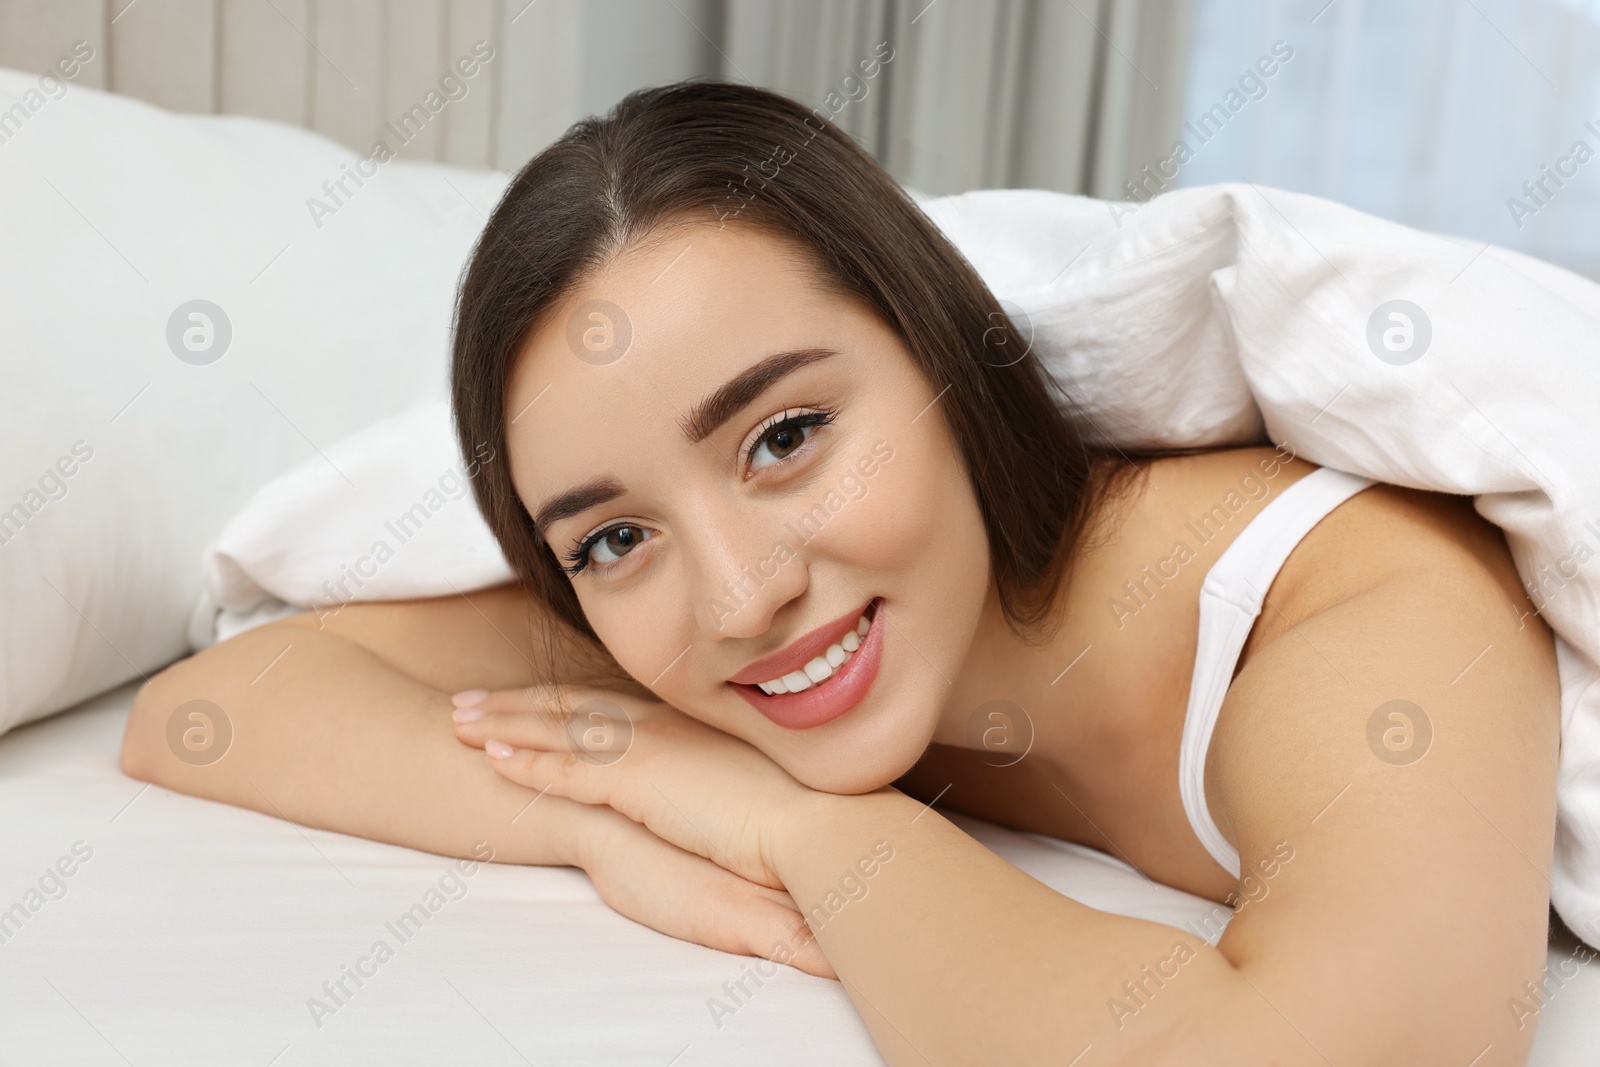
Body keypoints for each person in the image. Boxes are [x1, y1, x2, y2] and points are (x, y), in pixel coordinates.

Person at [121, 80, 1562, 1063]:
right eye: (614, 536)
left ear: (942, 355)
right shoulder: (720, 639)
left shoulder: (1353, 604)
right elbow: (219, 704)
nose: (741, 598)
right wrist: (599, 827)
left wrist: (797, 831)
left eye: (787, 437)